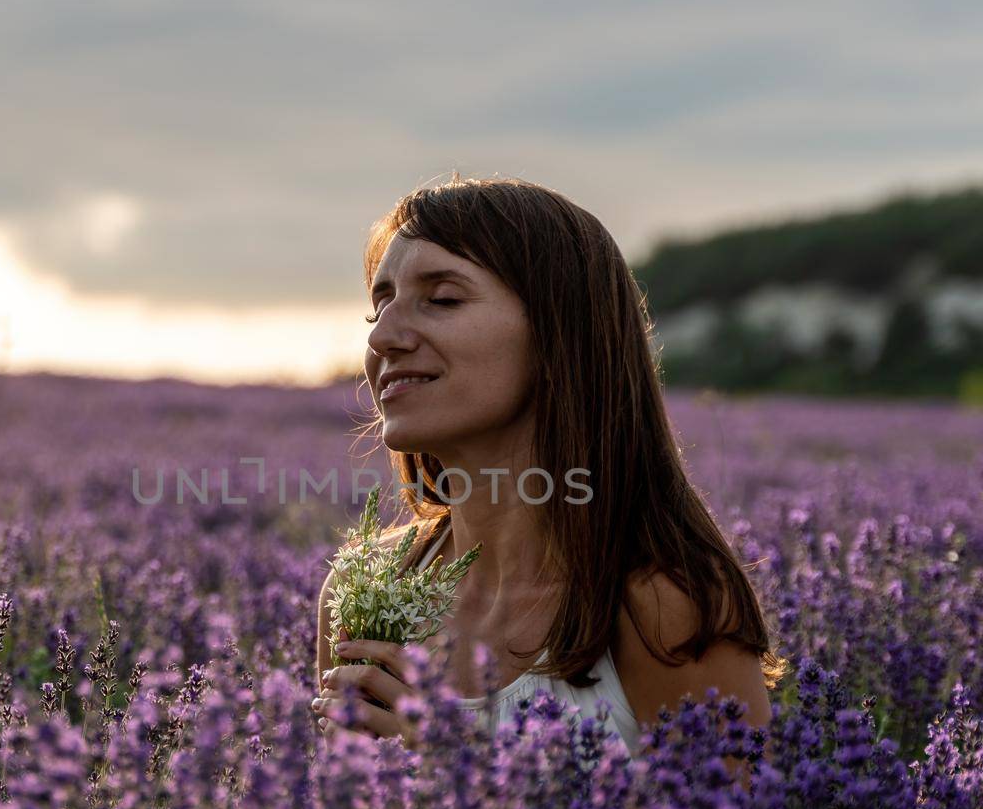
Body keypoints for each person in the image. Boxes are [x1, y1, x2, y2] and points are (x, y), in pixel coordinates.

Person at [310, 174, 785, 778]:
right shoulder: (366, 590)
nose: (383, 337)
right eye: (380, 305)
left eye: (443, 299)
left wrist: (457, 775)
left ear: (560, 332)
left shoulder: (661, 606)